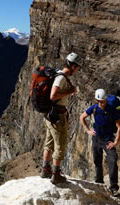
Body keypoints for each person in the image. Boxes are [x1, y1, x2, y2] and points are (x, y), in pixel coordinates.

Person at [40, 52, 81, 184]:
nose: (78, 69)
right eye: (77, 67)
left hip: (50, 115)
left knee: (49, 142)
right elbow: (53, 95)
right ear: (73, 66)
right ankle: (56, 174)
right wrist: (71, 91)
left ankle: (45, 169)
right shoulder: (61, 78)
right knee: (60, 144)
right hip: (57, 116)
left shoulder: (57, 74)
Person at [79, 88, 120, 196]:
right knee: (97, 161)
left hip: (108, 140)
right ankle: (99, 182)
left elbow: (119, 126)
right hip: (97, 138)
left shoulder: (112, 109)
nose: (101, 103)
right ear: (96, 100)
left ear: (106, 100)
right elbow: (82, 117)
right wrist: (88, 130)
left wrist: (116, 142)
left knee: (113, 161)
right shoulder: (94, 108)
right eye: (99, 101)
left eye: (102, 101)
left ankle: (114, 187)